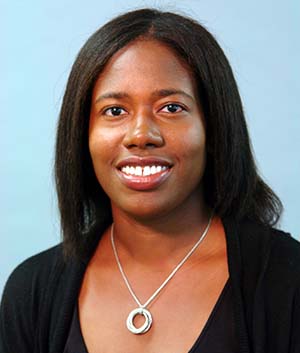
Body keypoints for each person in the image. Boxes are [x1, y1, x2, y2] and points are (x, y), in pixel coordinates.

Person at [0, 8, 299, 353]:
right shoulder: (32, 291)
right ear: (82, 135)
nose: (141, 135)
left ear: (214, 129)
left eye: (171, 108)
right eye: (115, 111)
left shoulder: (285, 280)